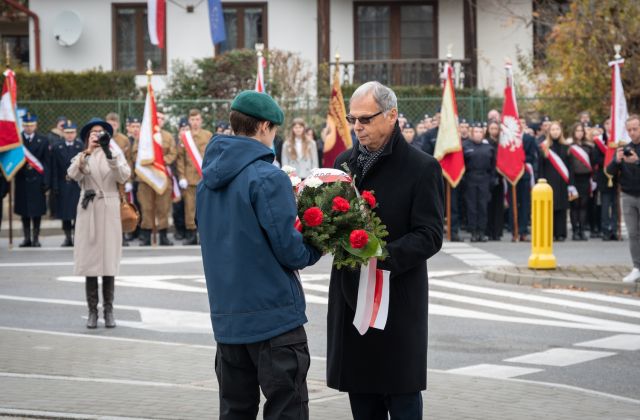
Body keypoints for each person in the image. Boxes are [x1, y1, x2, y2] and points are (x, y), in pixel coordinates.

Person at [197, 91, 321, 419]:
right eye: (274, 130)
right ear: (264, 126)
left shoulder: (206, 181)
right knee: (286, 410)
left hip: (228, 322)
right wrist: (317, 244)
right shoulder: (267, 176)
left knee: (235, 411)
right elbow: (290, 250)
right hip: (274, 318)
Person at [328, 82, 444, 419]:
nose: (357, 127)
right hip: (352, 298)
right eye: (353, 119)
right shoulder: (344, 162)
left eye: (365, 119)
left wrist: (382, 256)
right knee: (362, 398)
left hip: (397, 299)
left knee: (402, 394)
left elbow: (430, 235)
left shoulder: (421, 167)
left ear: (392, 115)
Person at [68, 118, 131, 328]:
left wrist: (109, 153)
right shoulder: (82, 155)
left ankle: (109, 310)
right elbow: (72, 174)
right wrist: (86, 154)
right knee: (91, 262)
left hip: (110, 208)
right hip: (89, 209)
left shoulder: (114, 154)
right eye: (93, 132)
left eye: (101, 132)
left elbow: (123, 176)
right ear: (87, 136)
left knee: (108, 261)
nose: (97, 135)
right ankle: (92, 311)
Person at [132, 114, 177, 246]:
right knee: (146, 207)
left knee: (163, 207)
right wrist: (149, 165)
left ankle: (163, 236)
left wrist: (161, 164)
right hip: (145, 178)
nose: (159, 120)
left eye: (162, 118)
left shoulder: (168, 136)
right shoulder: (143, 135)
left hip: (162, 177)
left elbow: (173, 153)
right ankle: (146, 236)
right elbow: (135, 154)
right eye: (157, 118)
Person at [607, 115, 640, 283]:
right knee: (633, 234)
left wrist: (637, 161)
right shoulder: (624, 148)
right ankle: (637, 267)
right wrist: (616, 160)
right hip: (627, 195)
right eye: (629, 130)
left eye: (635, 129)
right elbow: (610, 171)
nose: (632, 132)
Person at [177, 109, 213, 245]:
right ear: (189, 121)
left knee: (207, 207)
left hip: (205, 178)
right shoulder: (184, 137)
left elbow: (213, 155)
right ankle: (191, 235)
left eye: (197, 119)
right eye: (192, 120)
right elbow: (180, 159)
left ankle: (207, 235)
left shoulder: (208, 135)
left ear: (201, 120)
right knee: (190, 208)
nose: (195, 122)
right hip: (189, 179)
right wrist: (181, 176)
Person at [14, 112, 50, 247]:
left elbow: (47, 163)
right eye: (26, 125)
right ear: (23, 126)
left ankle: (36, 238)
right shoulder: (17, 141)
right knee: (24, 211)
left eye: (31, 125)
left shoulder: (43, 140)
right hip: (22, 180)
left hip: (37, 180)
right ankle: (26, 238)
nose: (29, 128)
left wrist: (46, 181)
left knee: (37, 212)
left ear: (36, 125)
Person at [51, 120, 83, 246]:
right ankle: (67, 237)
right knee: (65, 214)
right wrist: (54, 185)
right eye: (67, 132)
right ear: (63, 133)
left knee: (77, 213)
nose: (70, 135)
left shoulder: (80, 147)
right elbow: (54, 168)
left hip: (77, 185)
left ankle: (77, 238)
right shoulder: (57, 147)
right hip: (63, 183)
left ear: (76, 133)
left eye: (72, 132)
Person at [539, 121, 570, 241]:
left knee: (561, 208)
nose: (555, 132)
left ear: (561, 131)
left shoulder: (566, 147)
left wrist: (571, 184)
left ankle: (561, 233)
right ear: (549, 132)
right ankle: (550, 233)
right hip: (548, 183)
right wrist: (541, 182)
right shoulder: (544, 148)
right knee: (549, 208)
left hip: (562, 182)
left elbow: (570, 167)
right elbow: (540, 167)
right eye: (553, 129)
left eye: (557, 129)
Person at [464, 122, 495, 242]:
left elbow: (493, 165)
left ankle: (482, 232)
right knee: (472, 206)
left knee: (483, 206)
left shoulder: (489, 148)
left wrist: (492, 179)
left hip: (484, 178)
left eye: (480, 132)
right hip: (470, 178)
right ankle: (473, 232)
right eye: (475, 132)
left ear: (483, 134)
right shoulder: (466, 146)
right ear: (472, 133)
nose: (478, 134)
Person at [567, 123, 592, 241]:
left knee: (583, 205)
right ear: (574, 132)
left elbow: (593, 164)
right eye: (577, 131)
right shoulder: (569, 147)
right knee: (574, 206)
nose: (580, 133)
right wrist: (570, 184)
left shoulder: (588, 147)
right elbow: (568, 166)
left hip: (585, 179)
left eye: (581, 131)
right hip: (574, 180)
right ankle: (575, 231)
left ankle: (582, 230)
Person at [485, 120, 504, 241]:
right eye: (491, 128)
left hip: (500, 177)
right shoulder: (486, 143)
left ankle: (497, 232)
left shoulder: (502, 143)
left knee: (498, 206)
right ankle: (489, 231)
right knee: (488, 205)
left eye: (496, 129)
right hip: (488, 177)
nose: (494, 131)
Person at [171, 117, 189, 241]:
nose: (184, 131)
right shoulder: (174, 142)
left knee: (187, 206)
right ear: (179, 130)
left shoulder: (191, 143)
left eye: (187, 129)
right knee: (177, 206)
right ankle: (179, 230)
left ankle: (188, 231)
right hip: (174, 177)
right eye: (183, 129)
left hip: (187, 178)